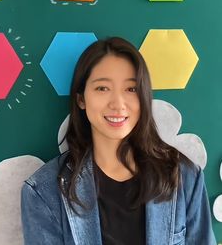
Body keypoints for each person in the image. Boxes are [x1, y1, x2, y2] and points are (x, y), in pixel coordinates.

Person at [21, 37, 216, 245]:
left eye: (131, 89)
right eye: (102, 88)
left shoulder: (184, 177)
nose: (118, 104)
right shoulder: (43, 192)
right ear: (81, 99)